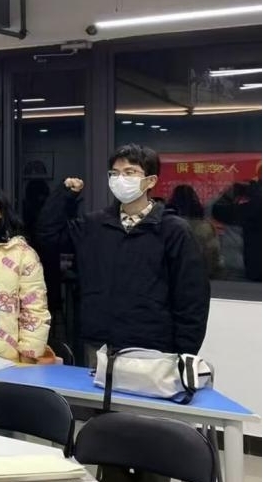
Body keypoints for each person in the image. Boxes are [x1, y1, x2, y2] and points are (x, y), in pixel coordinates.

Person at [37, 144, 210, 366]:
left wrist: (184, 353)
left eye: (130, 172)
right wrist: (64, 196)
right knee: (94, 390)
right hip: (98, 344)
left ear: (150, 181)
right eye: (114, 173)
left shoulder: (173, 230)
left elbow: (192, 297)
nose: (120, 179)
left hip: (152, 348)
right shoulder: (94, 225)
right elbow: (48, 235)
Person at [0, 184, 51, 363]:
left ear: (0, 212)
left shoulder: (21, 253)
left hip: (4, 355)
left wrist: (29, 355)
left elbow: (34, 309)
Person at [211, 166, 261, 282]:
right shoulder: (252, 205)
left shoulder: (251, 207)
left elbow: (217, 210)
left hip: (248, 269)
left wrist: (232, 192)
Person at [167, 184, 222, 279]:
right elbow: (212, 253)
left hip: (170, 275)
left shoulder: (166, 225)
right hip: (198, 273)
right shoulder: (204, 227)